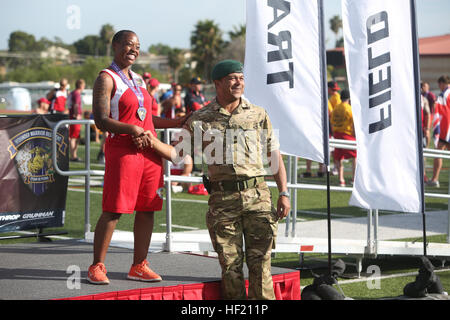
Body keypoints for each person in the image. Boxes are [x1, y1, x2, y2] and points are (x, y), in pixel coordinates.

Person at [147, 59, 291, 300]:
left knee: (261, 264)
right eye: (232, 78)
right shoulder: (201, 118)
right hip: (223, 201)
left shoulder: (258, 114)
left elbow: (274, 156)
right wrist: (151, 141)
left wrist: (284, 193)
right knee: (230, 266)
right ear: (218, 83)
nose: (238, 83)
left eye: (241, 78)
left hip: (258, 197)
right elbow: (176, 154)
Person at [87, 30, 187, 285]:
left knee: (148, 208)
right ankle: (97, 266)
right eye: (128, 44)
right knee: (114, 209)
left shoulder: (140, 80)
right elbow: (100, 120)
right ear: (115, 45)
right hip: (123, 149)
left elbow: (148, 118)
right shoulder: (106, 78)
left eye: (137, 46)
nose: (133, 49)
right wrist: (131, 129)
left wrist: (179, 120)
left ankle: (139, 265)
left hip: (150, 151)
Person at [427, 75, 450, 188]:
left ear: (442, 83)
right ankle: (434, 179)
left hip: (446, 130)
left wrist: (440, 131)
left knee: (438, 153)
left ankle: (435, 179)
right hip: (447, 130)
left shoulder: (444, 95)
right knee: (439, 153)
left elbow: (443, 113)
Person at [330, 89, 356, 187]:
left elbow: (332, 121)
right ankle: (354, 178)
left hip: (337, 134)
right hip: (347, 134)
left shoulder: (336, 107)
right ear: (349, 98)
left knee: (338, 158)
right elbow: (353, 124)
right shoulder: (349, 109)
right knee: (355, 157)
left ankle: (341, 179)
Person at [68, 79, 85, 162]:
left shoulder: (72, 93)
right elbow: (76, 105)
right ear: (81, 85)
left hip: (71, 117)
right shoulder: (77, 94)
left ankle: (73, 155)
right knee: (73, 137)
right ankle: (73, 156)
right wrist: (77, 114)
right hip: (74, 118)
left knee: (75, 137)